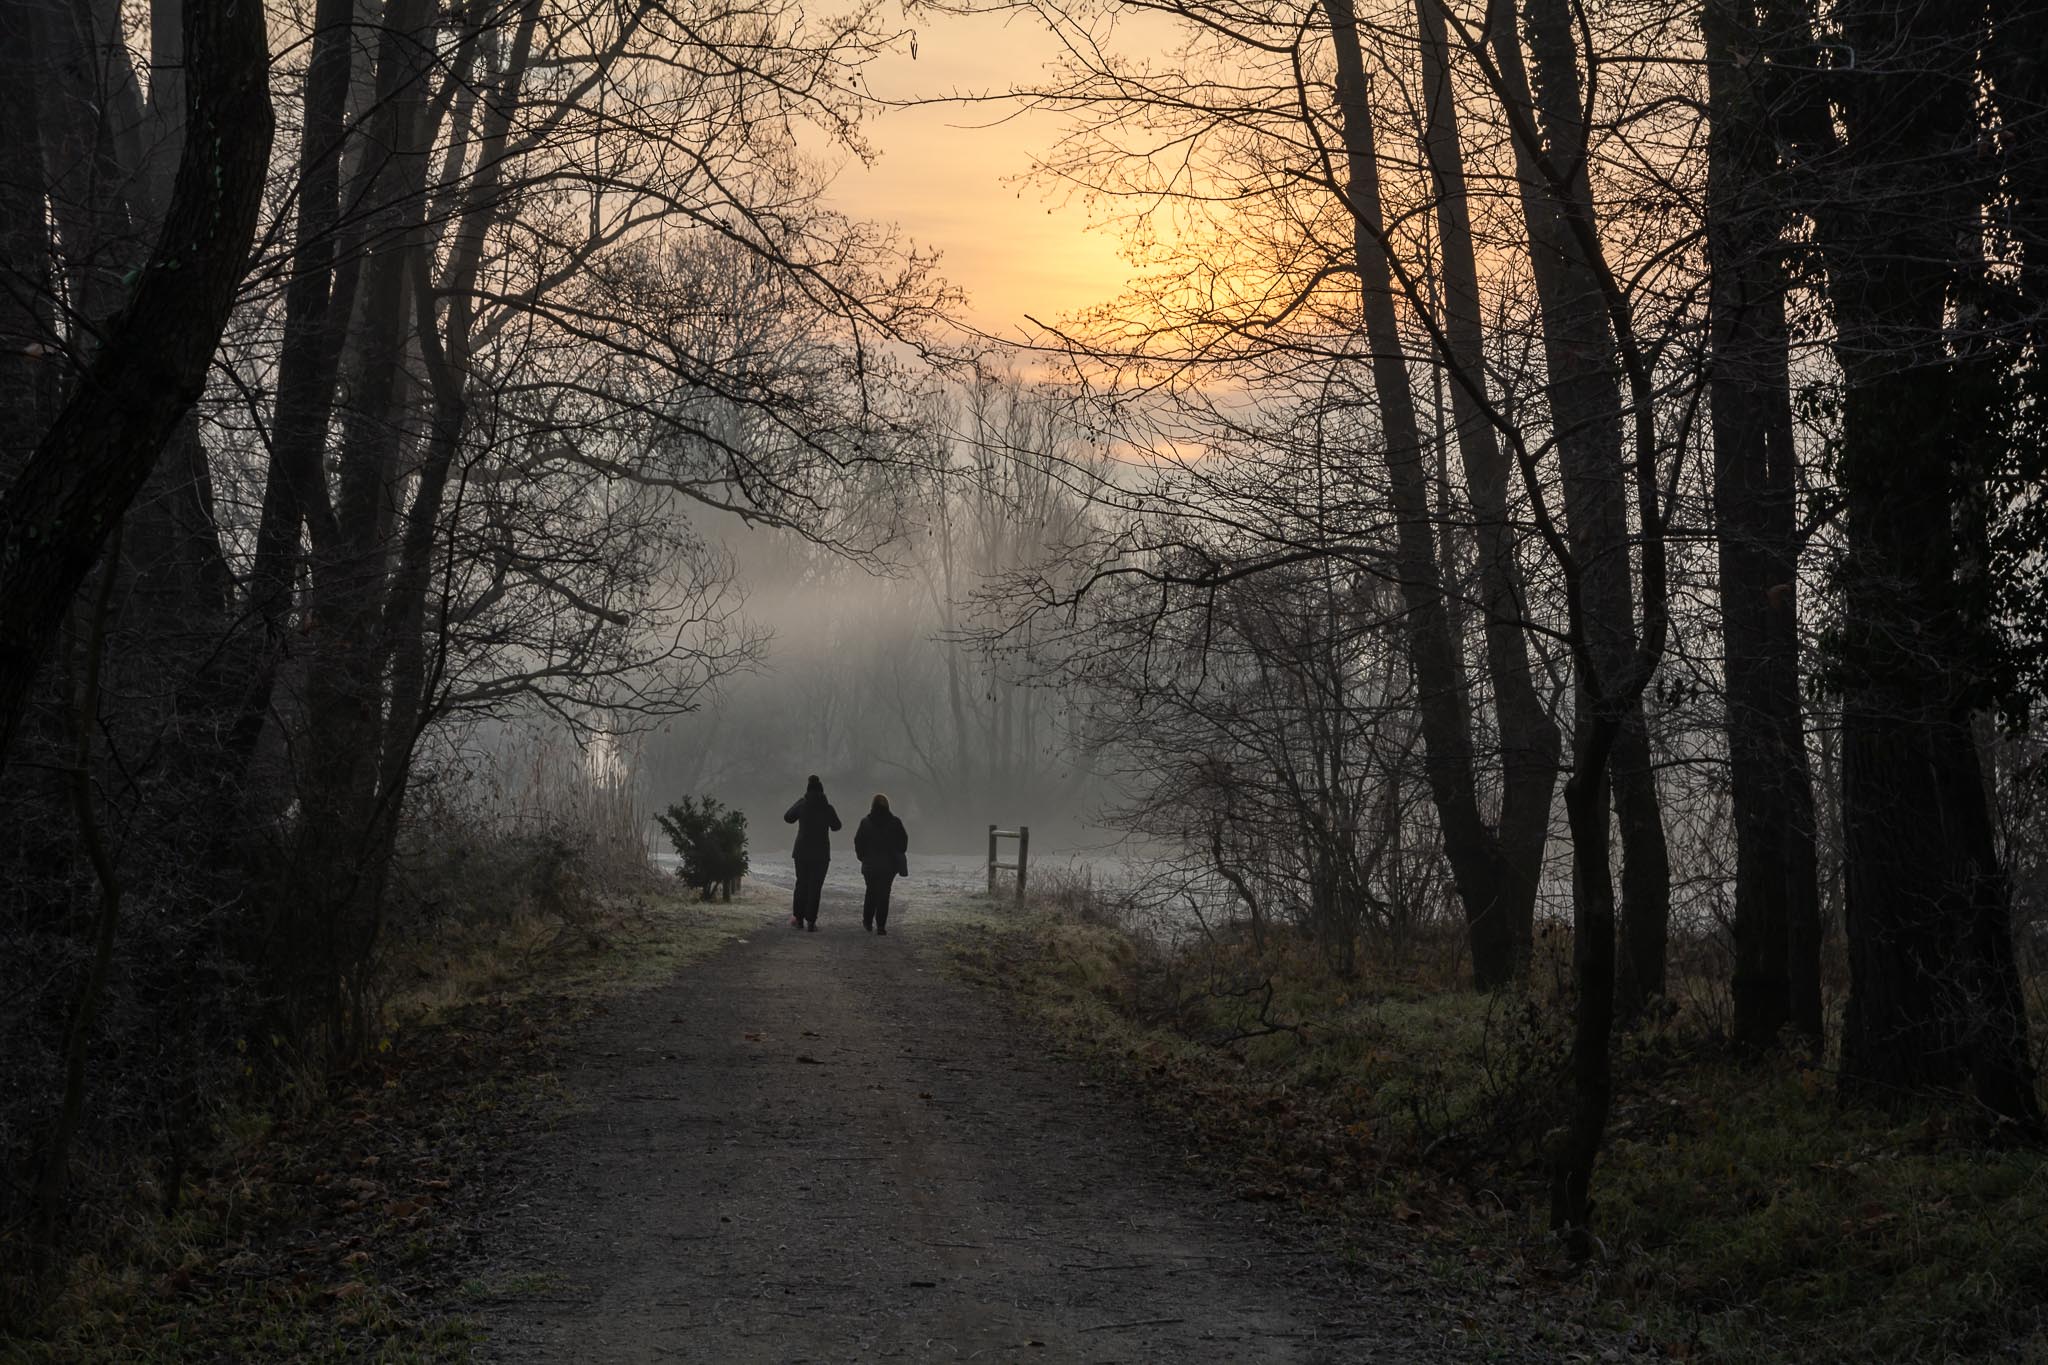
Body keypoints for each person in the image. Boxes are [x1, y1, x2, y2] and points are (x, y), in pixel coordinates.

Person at [783, 775, 840, 931]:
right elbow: (837, 826)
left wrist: (800, 802)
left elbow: (787, 817)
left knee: (801, 884)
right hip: (821, 853)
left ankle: (799, 918)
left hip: (801, 851)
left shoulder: (802, 805)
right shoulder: (827, 808)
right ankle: (811, 922)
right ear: (822, 792)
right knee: (815, 887)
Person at [853, 793, 909, 934]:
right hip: (889, 865)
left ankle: (867, 921)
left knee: (871, 892)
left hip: (870, 864)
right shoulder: (895, 822)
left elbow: (858, 841)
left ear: (872, 805)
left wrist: (862, 857)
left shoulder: (865, 822)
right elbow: (903, 842)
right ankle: (881, 926)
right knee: (884, 894)